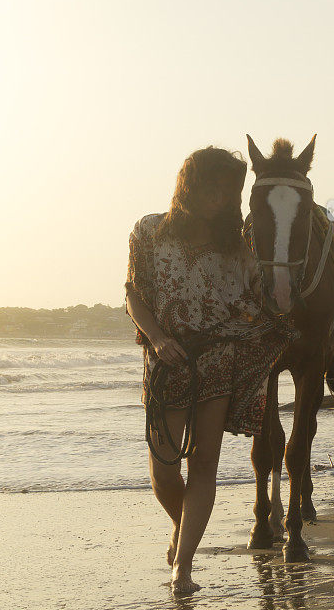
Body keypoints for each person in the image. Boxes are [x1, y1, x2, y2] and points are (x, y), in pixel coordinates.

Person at [124, 146, 291, 595]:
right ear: (192, 186)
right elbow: (134, 296)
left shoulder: (237, 246)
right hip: (165, 363)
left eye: (231, 190)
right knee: (162, 471)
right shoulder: (149, 232)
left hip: (218, 362)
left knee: (203, 464)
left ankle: (183, 567)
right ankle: (184, 531)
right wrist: (158, 338)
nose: (224, 198)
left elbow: (258, 300)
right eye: (215, 188)